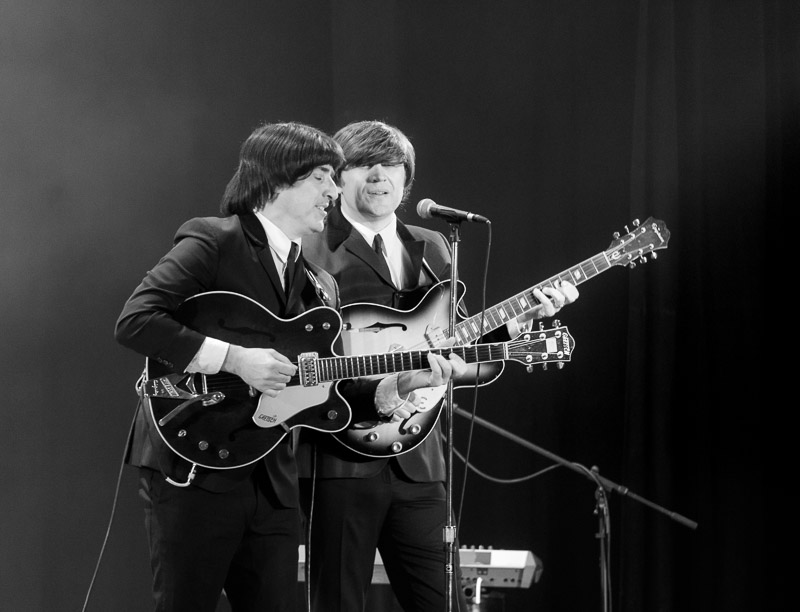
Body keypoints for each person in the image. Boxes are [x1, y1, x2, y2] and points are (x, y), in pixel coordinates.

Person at [115, 121, 464, 612]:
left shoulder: (316, 281)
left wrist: (403, 383)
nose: (333, 191)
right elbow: (136, 321)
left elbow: (327, 381)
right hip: (195, 460)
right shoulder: (214, 240)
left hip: (273, 475)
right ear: (276, 180)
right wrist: (235, 359)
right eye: (322, 177)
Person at [297, 120, 579, 612]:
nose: (380, 175)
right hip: (339, 456)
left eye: (392, 165)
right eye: (364, 164)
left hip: (420, 462)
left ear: (407, 179)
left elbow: (460, 350)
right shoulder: (309, 243)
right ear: (339, 176)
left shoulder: (432, 246)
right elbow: (302, 352)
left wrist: (520, 322)